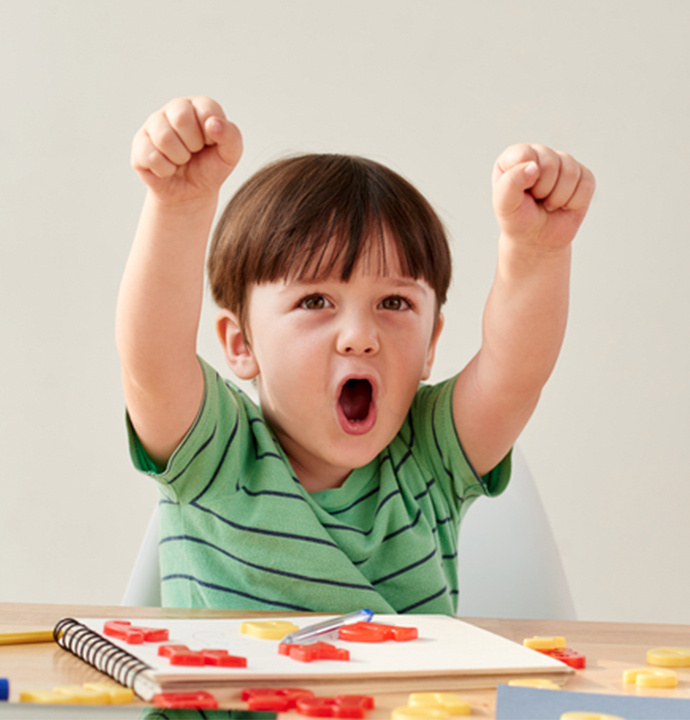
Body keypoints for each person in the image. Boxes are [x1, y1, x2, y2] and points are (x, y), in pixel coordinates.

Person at [116, 96, 595, 613]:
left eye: (394, 302)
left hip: (403, 699)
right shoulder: (217, 454)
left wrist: (538, 253)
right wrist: (179, 209)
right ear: (241, 344)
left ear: (431, 344)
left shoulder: (430, 457)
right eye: (315, 301)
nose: (359, 336)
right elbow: (152, 365)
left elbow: (514, 373)